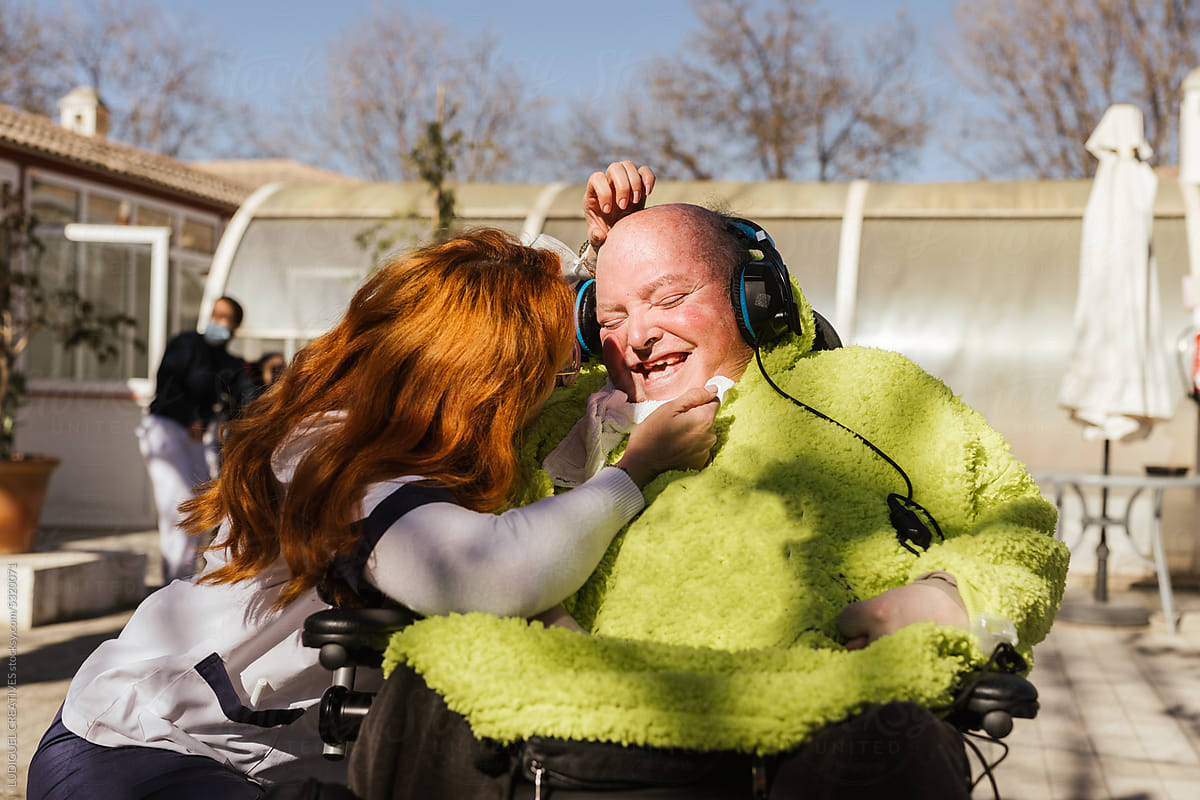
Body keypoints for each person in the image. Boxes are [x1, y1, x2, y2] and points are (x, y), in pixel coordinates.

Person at [351, 165, 1069, 799]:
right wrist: (600, 249)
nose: (637, 336)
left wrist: (943, 598)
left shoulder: (865, 394)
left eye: (667, 299)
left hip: (803, 723)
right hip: (562, 736)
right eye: (612, 316)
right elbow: (474, 548)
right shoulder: (553, 416)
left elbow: (1015, 522)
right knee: (421, 695)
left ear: (756, 297)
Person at [26, 229, 720, 800]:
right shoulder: (336, 448)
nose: (559, 390)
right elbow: (488, 574)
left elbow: (494, 283)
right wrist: (635, 471)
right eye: (553, 375)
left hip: (258, 765)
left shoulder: (402, 434)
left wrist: (601, 258)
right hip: (135, 756)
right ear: (485, 372)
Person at [138, 296, 258, 584]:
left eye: (225, 317)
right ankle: (173, 582)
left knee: (201, 505)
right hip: (166, 430)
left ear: (235, 326)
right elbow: (166, 386)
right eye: (215, 314)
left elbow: (247, 395)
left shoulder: (228, 363)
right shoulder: (186, 344)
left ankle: (186, 578)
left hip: (196, 437)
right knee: (180, 504)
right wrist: (189, 415)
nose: (217, 321)